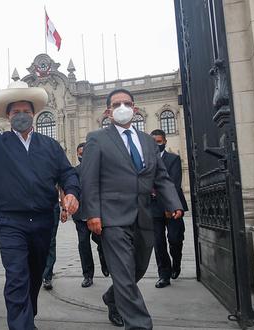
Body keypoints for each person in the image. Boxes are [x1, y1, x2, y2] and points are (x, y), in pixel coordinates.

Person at [0, 78, 80, 330]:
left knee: (34, 276)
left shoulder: (50, 146)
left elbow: (67, 173)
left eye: (26, 111)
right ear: (8, 116)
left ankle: (26, 315)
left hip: (44, 221)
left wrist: (72, 192)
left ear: (34, 114)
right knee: (17, 278)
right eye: (16, 112)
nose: (21, 115)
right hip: (11, 222)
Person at [81, 89, 183, 329]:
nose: (123, 107)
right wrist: (93, 213)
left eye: (127, 103)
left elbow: (161, 176)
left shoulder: (147, 140)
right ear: (108, 112)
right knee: (124, 273)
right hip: (111, 217)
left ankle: (112, 297)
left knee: (137, 268)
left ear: (135, 108)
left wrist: (173, 202)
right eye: (117, 104)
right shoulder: (97, 139)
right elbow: (89, 179)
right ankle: (139, 324)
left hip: (144, 214)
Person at [150, 129, 189, 289]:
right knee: (158, 243)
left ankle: (176, 262)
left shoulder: (173, 159)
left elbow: (173, 182)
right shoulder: (146, 161)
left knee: (174, 239)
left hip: (173, 206)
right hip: (153, 208)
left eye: (158, 142)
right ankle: (163, 275)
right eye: (153, 143)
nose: (156, 145)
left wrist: (169, 204)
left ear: (164, 142)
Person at [72, 143, 108, 289]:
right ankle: (87, 275)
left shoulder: (100, 170)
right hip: (80, 215)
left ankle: (105, 260)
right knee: (83, 244)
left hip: (97, 214)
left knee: (102, 242)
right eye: (80, 154)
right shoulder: (74, 171)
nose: (83, 156)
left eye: (85, 153)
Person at [41, 192, 63, 290]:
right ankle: (43, 272)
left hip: (52, 206)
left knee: (50, 241)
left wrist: (65, 208)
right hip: (34, 207)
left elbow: (62, 185)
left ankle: (47, 275)